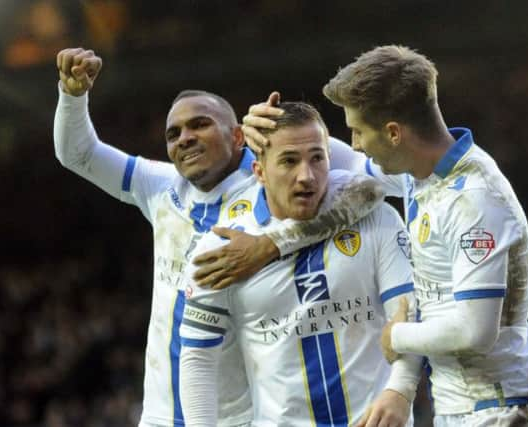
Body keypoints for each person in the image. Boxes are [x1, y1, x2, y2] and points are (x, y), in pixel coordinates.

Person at [53, 48, 385, 427]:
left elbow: (373, 187)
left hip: (238, 415)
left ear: (239, 134)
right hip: (159, 414)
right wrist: (73, 95)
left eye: (200, 124)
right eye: (174, 133)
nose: (185, 138)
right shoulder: (159, 185)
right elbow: (77, 154)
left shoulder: (273, 181)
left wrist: (271, 244)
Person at [242, 45, 528, 426]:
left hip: (507, 411)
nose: (356, 143)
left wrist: (398, 337)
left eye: (359, 131)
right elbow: (337, 162)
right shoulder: (419, 173)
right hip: (463, 409)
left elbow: (476, 331)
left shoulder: (475, 200)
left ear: (393, 133)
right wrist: (266, 129)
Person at [179, 102, 422, 427]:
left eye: (317, 158)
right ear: (259, 171)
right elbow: (197, 360)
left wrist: (399, 391)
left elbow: (408, 312)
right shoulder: (220, 250)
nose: (306, 176)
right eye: (289, 161)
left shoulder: (375, 218)